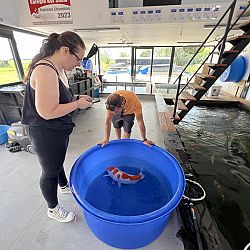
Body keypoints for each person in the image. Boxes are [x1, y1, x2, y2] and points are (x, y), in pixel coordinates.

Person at [21, 31, 93, 223]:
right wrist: (77, 105)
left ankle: (63, 184)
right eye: (78, 59)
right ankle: (52, 209)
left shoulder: (58, 69)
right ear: (65, 51)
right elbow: (47, 111)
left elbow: (61, 98)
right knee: (49, 170)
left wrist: (77, 99)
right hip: (44, 132)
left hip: (57, 129)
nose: (78, 64)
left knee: (57, 159)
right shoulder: (45, 70)